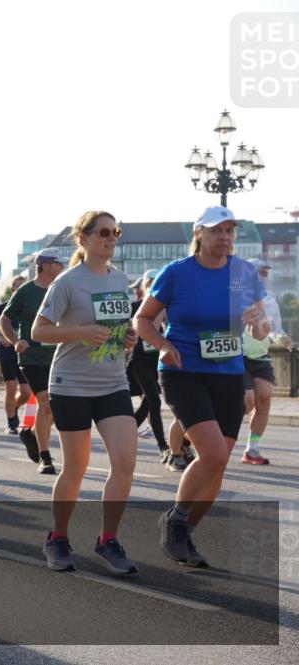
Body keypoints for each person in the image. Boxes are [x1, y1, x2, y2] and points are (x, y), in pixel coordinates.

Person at [134, 205, 269, 568]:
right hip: (183, 371)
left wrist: (259, 323)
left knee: (218, 464)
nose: (224, 238)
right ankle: (176, 521)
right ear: (199, 234)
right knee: (212, 454)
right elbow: (142, 319)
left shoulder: (244, 273)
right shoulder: (176, 273)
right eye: (216, 231)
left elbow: (260, 329)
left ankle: (182, 531)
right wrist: (164, 344)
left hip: (228, 373)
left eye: (229, 231)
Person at [31, 211, 139, 575]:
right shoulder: (67, 282)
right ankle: (58, 537)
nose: (111, 238)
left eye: (116, 232)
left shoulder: (121, 279)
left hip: (112, 382)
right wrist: (79, 331)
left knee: (125, 463)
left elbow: (115, 328)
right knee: (77, 467)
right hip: (71, 383)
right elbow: (39, 332)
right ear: (84, 238)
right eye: (104, 232)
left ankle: (108, 540)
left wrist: (126, 337)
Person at [0, 249, 65, 474]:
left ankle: (31, 433)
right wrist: (16, 340)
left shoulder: (62, 289)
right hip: (32, 357)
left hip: (58, 356)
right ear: (46, 265)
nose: (62, 267)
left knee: (57, 408)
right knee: (45, 402)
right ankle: (45, 457)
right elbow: (4, 320)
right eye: (58, 264)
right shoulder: (26, 292)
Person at [240, 258, 293, 465]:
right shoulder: (235, 298)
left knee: (264, 399)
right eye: (259, 272)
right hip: (238, 356)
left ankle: (252, 449)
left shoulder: (270, 302)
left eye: (265, 272)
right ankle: (212, 437)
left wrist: (284, 338)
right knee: (247, 401)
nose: (263, 276)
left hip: (260, 357)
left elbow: (275, 331)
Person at [126, 269, 170, 463]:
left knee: (147, 404)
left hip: (159, 361)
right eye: (149, 283)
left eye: (156, 283)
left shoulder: (168, 308)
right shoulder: (135, 308)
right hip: (139, 361)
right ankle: (163, 446)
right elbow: (126, 332)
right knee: (154, 401)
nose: (153, 287)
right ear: (144, 287)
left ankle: (125, 433)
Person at [0, 276, 31, 434]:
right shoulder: (2, 307)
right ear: (13, 290)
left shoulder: (29, 307)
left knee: (26, 393)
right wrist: (0, 338)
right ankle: (12, 422)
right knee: (10, 388)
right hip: (7, 352)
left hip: (24, 353)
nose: (20, 290)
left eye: (23, 287)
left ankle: (12, 407)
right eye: (17, 287)